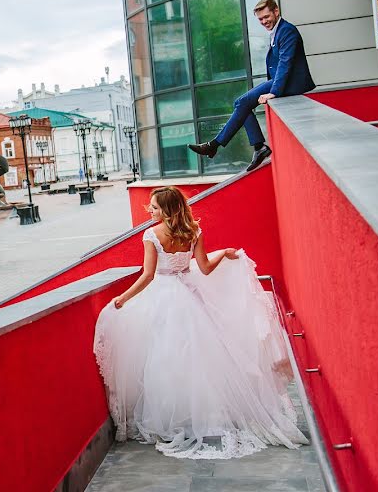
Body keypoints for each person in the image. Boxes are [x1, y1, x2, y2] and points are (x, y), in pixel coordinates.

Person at [93, 186, 307, 459]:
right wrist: (223, 254)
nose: (150, 211)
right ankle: (201, 414)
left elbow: (148, 276)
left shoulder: (152, 235)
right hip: (189, 297)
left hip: (163, 298)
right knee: (198, 358)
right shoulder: (194, 231)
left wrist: (122, 298)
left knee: (164, 360)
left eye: (155, 207)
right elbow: (204, 268)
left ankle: (175, 417)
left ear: (167, 210)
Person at [188, 0, 315, 172]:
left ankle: (221, 145)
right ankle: (254, 147)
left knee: (241, 102)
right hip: (281, 81)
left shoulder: (287, 31)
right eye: (260, 19)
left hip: (291, 84)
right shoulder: (277, 32)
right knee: (241, 103)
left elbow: (285, 64)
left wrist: (275, 92)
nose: (264, 22)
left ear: (276, 11)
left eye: (266, 17)